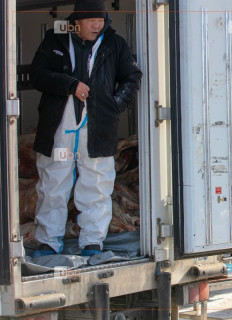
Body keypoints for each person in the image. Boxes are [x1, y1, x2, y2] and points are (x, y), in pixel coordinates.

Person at [30, 0, 142, 257]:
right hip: (58, 127)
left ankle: (92, 242)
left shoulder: (115, 43)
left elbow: (132, 76)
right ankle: (48, 241)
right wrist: (69, 84)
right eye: (91, 20)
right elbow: (38, 74)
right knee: (52, 182)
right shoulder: (55, 39)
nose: (97, 25)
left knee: (97, 183)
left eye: (101, 20)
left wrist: (113, 105)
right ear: (76, 20)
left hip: (97, 128)